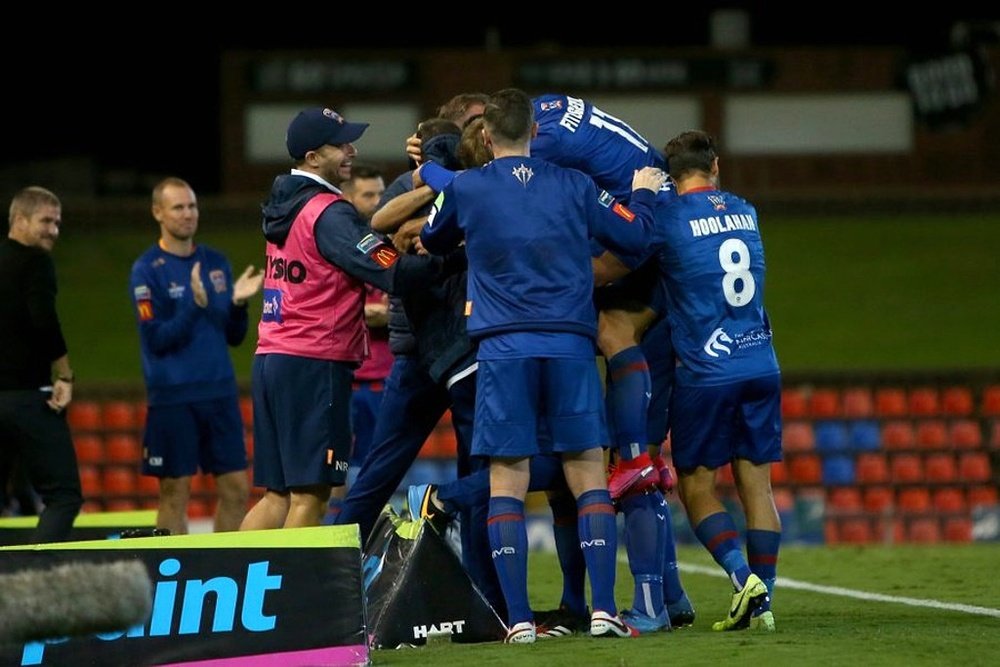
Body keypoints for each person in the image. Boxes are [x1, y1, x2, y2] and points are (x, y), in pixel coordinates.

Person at [419, 88, 665, 643]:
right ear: (535, 132)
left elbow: (434, 236)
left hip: (503, 350)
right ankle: (604, 610)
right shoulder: (576, 185)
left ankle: (521, 622)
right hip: (571, 345)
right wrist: (645, 194)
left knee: (508, 479)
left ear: (485, 136)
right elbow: (634, 232)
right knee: (585, 472)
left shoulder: (468, 187)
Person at [241, 107, 450, 531]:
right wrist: (450, 259)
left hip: (273, 357)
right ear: (314, 157)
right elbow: (390, 270)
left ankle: (248, 592)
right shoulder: (329, 212)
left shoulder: (285, 203)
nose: (352, 151)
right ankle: (294, 598)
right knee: (311, 497)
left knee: (277, 496)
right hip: (314, 362)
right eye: (341, 145)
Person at [654, 130, 782, 632]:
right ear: (716, 166)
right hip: (762, 361)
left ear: (671, 177)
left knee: (696, 485)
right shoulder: (747, 211)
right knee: (759, 487)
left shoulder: (666, 220)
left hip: (707, 371)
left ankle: (741, 577)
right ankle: (765, 604)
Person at [129, 177, 262, 535]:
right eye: (178, 207)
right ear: (158, 212)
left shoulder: (215, 262)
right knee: (175, 491)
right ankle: (173, 577)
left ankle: (225, 571)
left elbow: (234, 337)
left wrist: (237, 304)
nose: (188, 214)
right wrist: (192, 304)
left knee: (236, 489)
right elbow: (156, 338)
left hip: (219, 393)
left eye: (192, 206)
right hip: (173, 397)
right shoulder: (147, 270)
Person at [0, 186, 83, 543]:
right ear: (19, 220)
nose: (54, 230)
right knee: (64, 497)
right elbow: (43, 319)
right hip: (29, 398)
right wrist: (64, 373)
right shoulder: (36, 262)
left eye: (58, 223)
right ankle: (32, 580)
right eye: (46, 221)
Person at [332, 163, 391, 504]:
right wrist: (367, 314)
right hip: (346, 380)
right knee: (335, 472)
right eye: (369, 195)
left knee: (381, 471)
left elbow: (404, 292)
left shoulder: (387, 244)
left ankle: (375, 546)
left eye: (381, 193)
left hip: (385, 381)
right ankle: (335, 546)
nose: (378, 201)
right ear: (348, 199)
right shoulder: (337, 243)